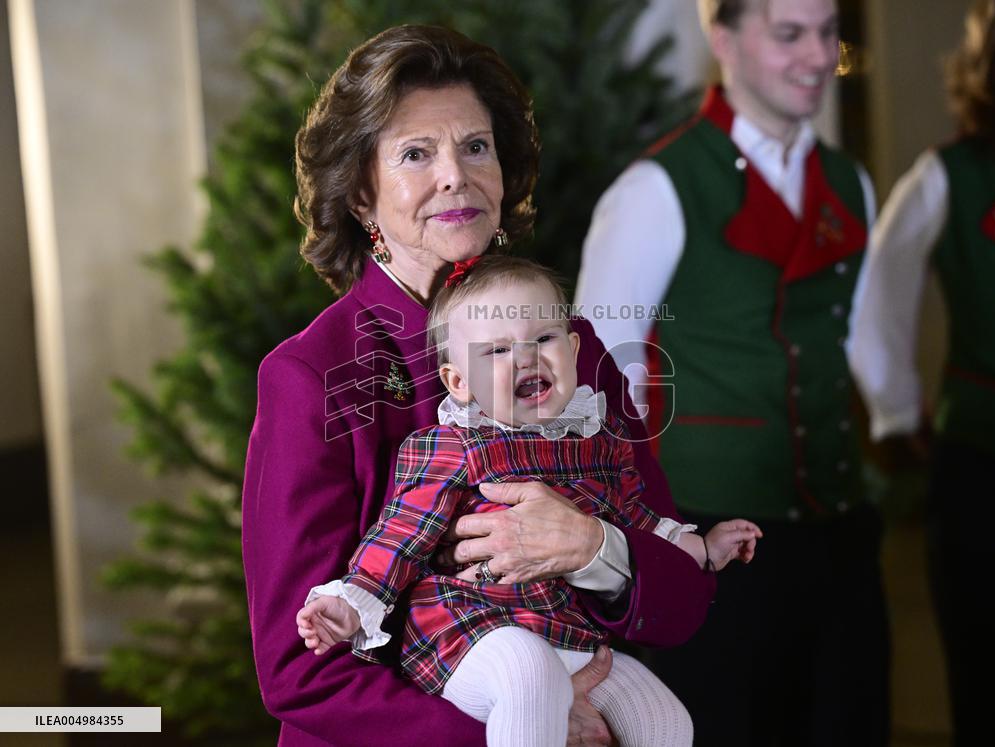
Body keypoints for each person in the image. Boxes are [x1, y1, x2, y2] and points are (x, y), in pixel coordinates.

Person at [242, 25, 717, 747]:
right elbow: (296, 671)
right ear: (362, 193)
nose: (455, 176)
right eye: (415, 154)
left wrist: (593, 547)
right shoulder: (311, 375)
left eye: (475, 146)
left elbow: (681, 602)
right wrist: (528, 717)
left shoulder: (573, 346)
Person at [575, 1, 889, 744]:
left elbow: (858, 339)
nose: (818, 55)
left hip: (838, 527)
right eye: (789, 34)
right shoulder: (657, 188)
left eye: (826, 31)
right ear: (723, 39)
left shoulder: (849, 181)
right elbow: (598, 384)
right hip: (712, 541)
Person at [296, 256, 763, 747]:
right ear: (459, 382)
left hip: (569, 633)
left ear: (573, 350)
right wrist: (353, 601)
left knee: (665, 719)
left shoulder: (598, 439)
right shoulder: (457, 445)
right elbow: (400, 532)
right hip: (471, 630)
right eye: (498, 350)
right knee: (529, 672)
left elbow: (636, 518)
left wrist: (700, 548)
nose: (526, 359)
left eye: (543, 339)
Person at [848, 1, 995, 743]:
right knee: (983, 663)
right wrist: (898, 411)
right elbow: (877, 294)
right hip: (981, 454)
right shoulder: (952, 173)